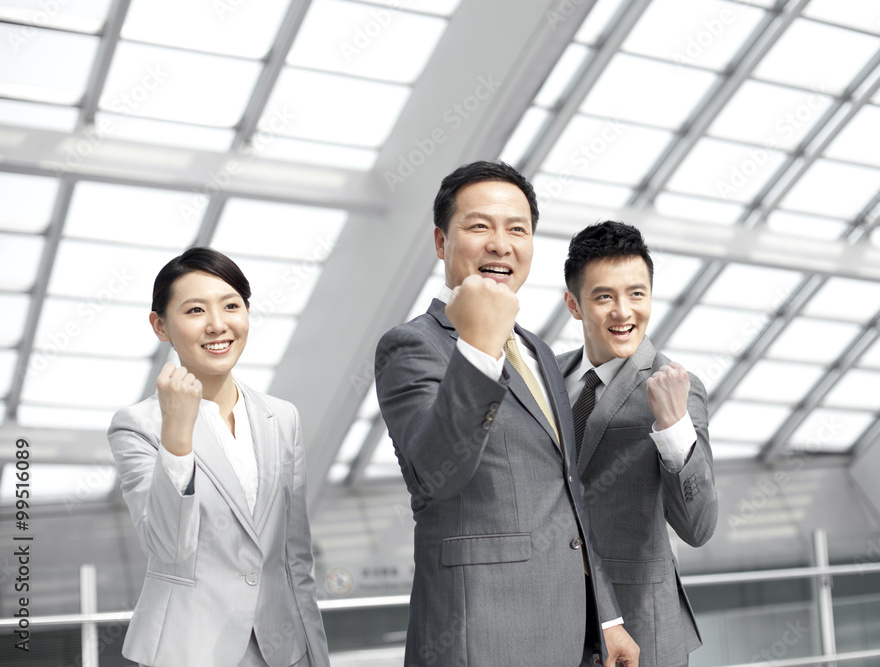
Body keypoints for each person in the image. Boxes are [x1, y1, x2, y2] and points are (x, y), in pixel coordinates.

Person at [375, 161, 639, 666]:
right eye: (479, 227)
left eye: (517, 229)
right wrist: (477, 346)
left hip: (568, 633)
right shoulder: (412, 345)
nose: (501, 244)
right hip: (480, 637)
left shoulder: (538, 350)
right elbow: (435, 474)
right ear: (440, 242)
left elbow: (568, 495)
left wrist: (607, 618)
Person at [108, 248, 329, 667]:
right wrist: (176, 434)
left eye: (231, 306)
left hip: (283, 651)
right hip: (188, 652)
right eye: (194, 310)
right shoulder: (137, 425)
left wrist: (316, 656)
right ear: (160, 326)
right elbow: (167, 546)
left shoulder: (281, 417)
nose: (217, 325)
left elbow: (295, 557)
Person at [558, 221, 718, 667]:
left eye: (637, 294)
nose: (623, 312)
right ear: (573, 304)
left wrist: (673, 424)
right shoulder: (546, 377)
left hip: (643, 629)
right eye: (604, 296)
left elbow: (699, 526)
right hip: (557, 622)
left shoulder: (678, 388)